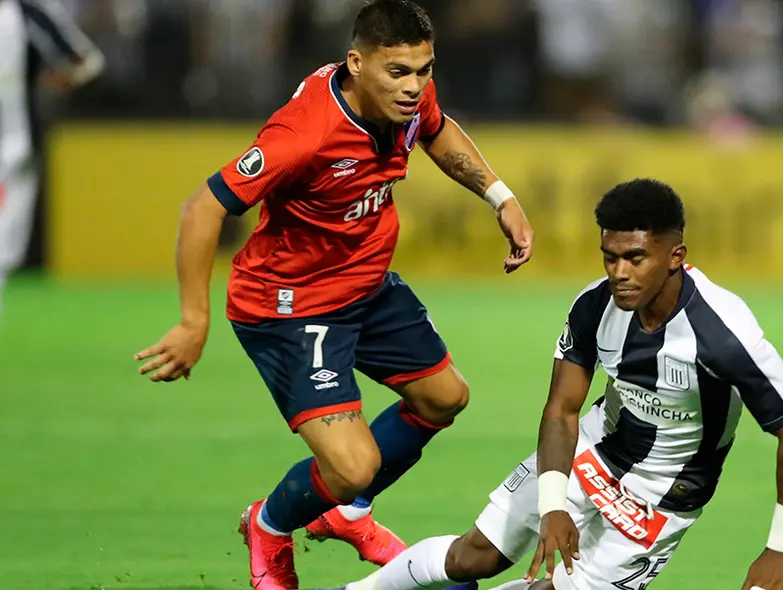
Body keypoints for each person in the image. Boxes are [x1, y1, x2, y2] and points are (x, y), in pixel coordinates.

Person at [133, 1, 535, 589]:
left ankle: (347, 514)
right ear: (356, 63)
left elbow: (437, 129)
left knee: (443, 398)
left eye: (423, 70)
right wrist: (194, 320)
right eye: (398, 72)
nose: (414, 86)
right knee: (353, 466)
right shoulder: (304, 134)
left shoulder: (407, 96)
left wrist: (500, 197)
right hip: (292, 305)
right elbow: (203, 208)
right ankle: (269, 525)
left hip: (366, 286)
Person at [336, 179, 783, 590]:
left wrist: (779, 548)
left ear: (675, 257)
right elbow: (561, 411)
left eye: (635, 258)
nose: (619, 273)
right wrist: (552, 507)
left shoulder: (724, 334)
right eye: (610, 257)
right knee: (474, 556)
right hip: (593, 449)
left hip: (663, 497)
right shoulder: (594, 306)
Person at [0, 0, 104, 311]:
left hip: (14, 148)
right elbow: (86, 61)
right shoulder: (28, 13)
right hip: (16, 147)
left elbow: (85, 61)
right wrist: (58, 81)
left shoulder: (27, 12)